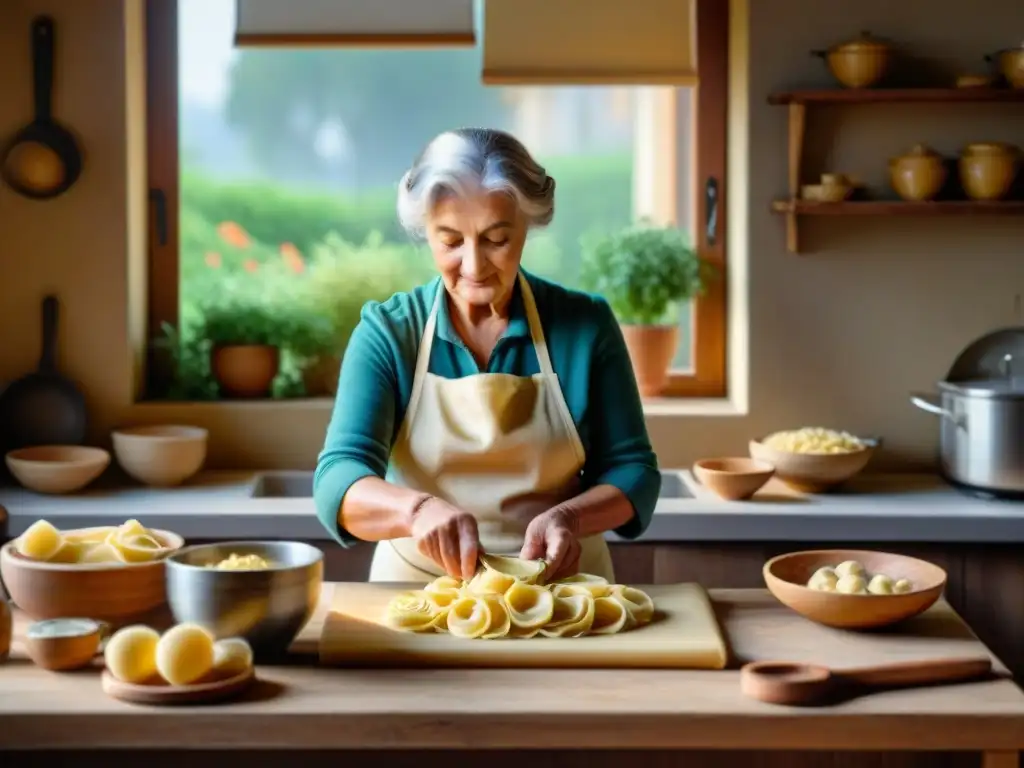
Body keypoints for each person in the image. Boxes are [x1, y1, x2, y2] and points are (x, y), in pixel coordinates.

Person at [313, 127, 660, 584]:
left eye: (496, 240)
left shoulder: (585, 327)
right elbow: (339, 479)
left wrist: (570, 519)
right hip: (419, 588)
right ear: (426, 232)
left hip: (562, 589)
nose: (474, 267)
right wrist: (416, 510)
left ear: (526, 227)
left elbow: (634, 471)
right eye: (451, 241)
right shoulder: (390, 333)